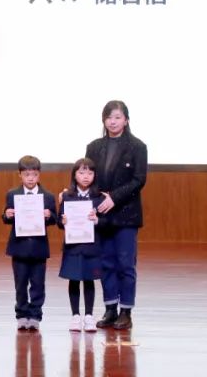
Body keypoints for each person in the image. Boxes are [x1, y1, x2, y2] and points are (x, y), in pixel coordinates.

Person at [84, 100, 148, 330]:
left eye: (117, 117)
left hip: (126, 213)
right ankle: (110, 308)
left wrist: (114, 198)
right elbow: (86, 176)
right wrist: (73, 194)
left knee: (125, 264)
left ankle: (126, 312)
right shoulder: (94, 146)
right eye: (109, 117)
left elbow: (139, 180)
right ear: (104, 120)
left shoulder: (138, 146)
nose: (112, 122)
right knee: (106, 263)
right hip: (101, 213)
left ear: (126, 120)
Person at [2, 155, 57, 330]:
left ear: (39, 174)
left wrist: (49, 216)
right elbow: (6, 216)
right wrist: (7, 215)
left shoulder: (47, 196)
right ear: (20, 175)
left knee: (38, 284)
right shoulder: (13, 194)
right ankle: (21, 314)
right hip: (19, 247)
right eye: (27, 174)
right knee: (20, 284)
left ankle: (35, 315)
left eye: (34, 174)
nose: (31, 178)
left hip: (39, 247)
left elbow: (54, 219)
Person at [57, 157, 101, 332]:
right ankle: (75, 315)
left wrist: (97, 220)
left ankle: (89, 315)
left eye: (90, 173)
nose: (86, 176)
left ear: (95, 176)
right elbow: (59, 221)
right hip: (73, 246)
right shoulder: (67, 196)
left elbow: (105, 221)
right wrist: (63, 221)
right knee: (74, 279)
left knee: (89, 280)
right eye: (82, 172)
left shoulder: (99, 197)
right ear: (74, 175)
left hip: (91, 246)